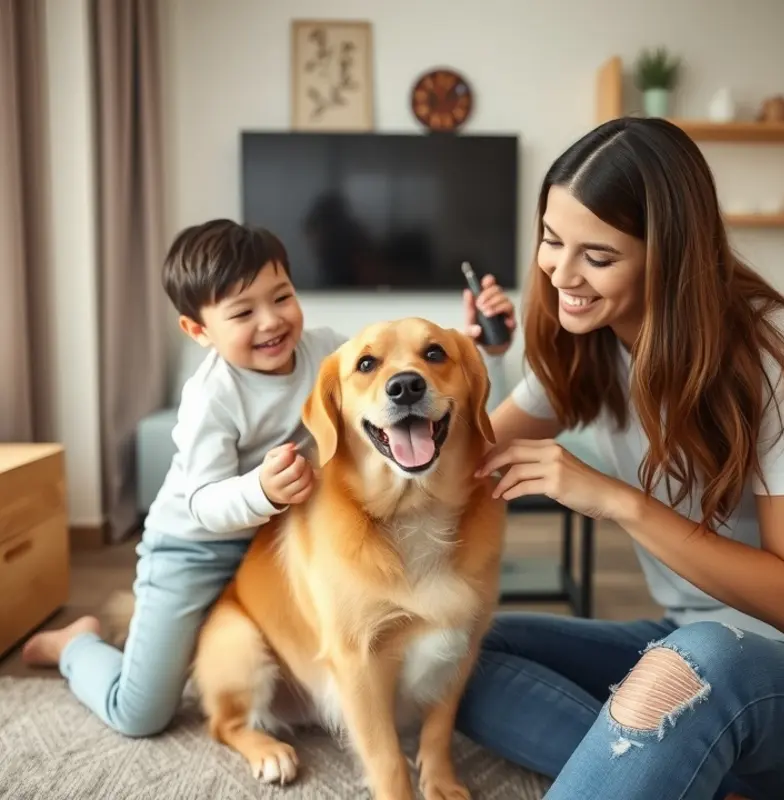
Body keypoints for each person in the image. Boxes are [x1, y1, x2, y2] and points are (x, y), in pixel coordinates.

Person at [22, 218, 516, 738]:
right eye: (243, 312)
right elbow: (202, 502)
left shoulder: (328, 351)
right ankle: (75, 646)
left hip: (275, 541)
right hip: (195, 548)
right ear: (198, 330)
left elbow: (392, 374)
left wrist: (476, 345)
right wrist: (260, 489)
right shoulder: (211, 397)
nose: (271, 321)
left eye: (281, 297)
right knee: (140, 712)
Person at [457, 117, 784, 800]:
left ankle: (678, 753)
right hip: (681, 638)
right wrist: (478, 364)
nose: (563, 274)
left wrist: (617, 500)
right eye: (553, 241)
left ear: (669, 255)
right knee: (460, 651)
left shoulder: (775, 357)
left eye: (599, 257)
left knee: (691, 666)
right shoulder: (592, 338)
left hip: (768, 664)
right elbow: (474, 457)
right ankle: (690, 768)